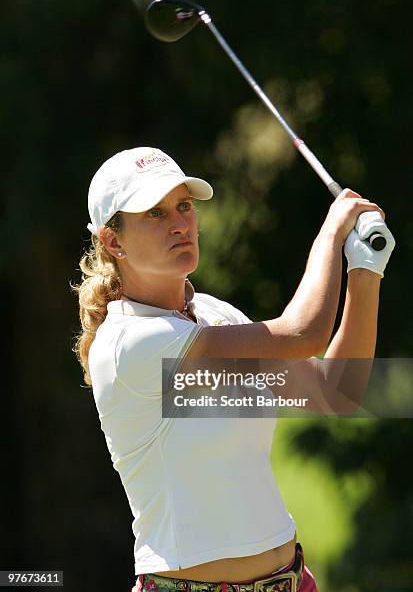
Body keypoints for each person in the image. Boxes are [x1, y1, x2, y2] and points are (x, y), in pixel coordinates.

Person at [73, 147, 395, 592]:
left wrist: (365, 268)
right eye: (155, 213)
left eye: (184, 206)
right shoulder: (130, 343)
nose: (180, 223)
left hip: (291, 579)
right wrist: (331, 235)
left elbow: (335, 392)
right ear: (113, 241)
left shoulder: (212, 314)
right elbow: (303, 333)